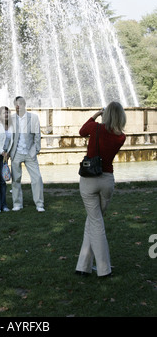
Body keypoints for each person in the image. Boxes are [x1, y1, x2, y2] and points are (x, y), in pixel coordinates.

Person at [75, 101, 126, 277]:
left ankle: (104, 270)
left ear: (106, 114)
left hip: (89, 180)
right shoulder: (121, 137)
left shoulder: (95, 128)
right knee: (94, 220)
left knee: (95, 222)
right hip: (107, 180)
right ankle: (83, 266)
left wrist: (96, 114)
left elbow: (82, 131)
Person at [9, 96, 45, 212]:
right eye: (16, 104)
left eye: (19, 104)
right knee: (16, 179)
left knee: (37, 178)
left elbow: (37, 135)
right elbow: (8, 136)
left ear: (24, 105)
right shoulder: (12, 118)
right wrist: (8, 152)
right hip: (16, 153)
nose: (17, 106)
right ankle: (17, 203)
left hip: (30, 153)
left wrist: (36, 150)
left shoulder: (33, 118)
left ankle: (39, 204)